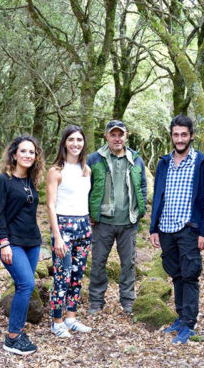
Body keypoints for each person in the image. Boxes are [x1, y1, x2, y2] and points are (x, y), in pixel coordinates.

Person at [149, 115, 204, 345]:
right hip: (166, 228)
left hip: (189, 228)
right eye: (176, 134)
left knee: (190, 274)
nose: (180, 138)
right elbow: (158, 197)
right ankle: (181, 317)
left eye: (184, 134)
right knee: (175, 274)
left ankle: (189, 324)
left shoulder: (201, 162)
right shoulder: (164, 162)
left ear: (191, 136)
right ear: (171, 136)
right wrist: (153, 228)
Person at [87, 120, 147, 315]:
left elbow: (143, 186)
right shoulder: (94, 159)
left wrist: (140, 211)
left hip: (128, 222)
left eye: (120, 134)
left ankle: (128, 301)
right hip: (102, 221)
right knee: (98, 262)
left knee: (128, 263)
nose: (117, 138)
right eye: (113, 134)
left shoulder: (135, 159)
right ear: (106, 136)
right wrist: (90, 212)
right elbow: (87, 186)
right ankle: (96, 301)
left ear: (126, 136)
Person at [0, 135, 45, 355]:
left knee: (23, 286)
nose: (27, 155)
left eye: (31, 152)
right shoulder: (3, 180)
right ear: (14, 154)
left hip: (32, 243)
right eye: (23, 151)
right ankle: (12, 337)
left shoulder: (31, 181)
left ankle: (18, 331)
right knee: (26, 285)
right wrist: (2, 242)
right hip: (11, 242)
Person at [45, 125, 93, 338]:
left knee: (76, 276)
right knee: (62, 277)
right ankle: (57, 321)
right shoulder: (56, 170)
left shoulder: (86, 169)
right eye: (71, 139)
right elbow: (50, 205)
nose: (76, 143)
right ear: (64, 142)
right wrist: (56, 236)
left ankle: (71, 318)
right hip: (63, 228)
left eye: (79, 140)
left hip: (83, 226)